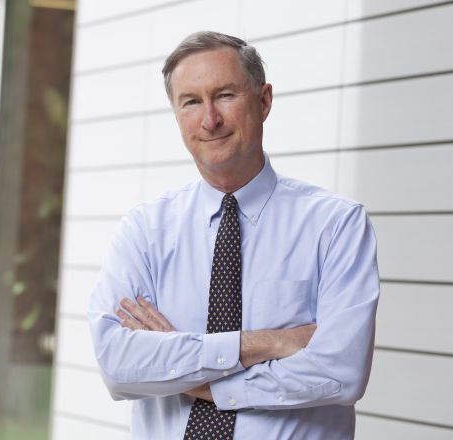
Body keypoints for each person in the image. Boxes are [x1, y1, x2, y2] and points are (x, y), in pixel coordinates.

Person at [88, 31, 379, 439]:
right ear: (177, 116)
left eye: (225, 95)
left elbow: (340, 373)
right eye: (191, 102)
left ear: (263, 101)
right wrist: (264, 344)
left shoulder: (335, 226)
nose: (210, 119)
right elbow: (119, 367)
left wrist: (184, 369)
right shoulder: (144, 232)